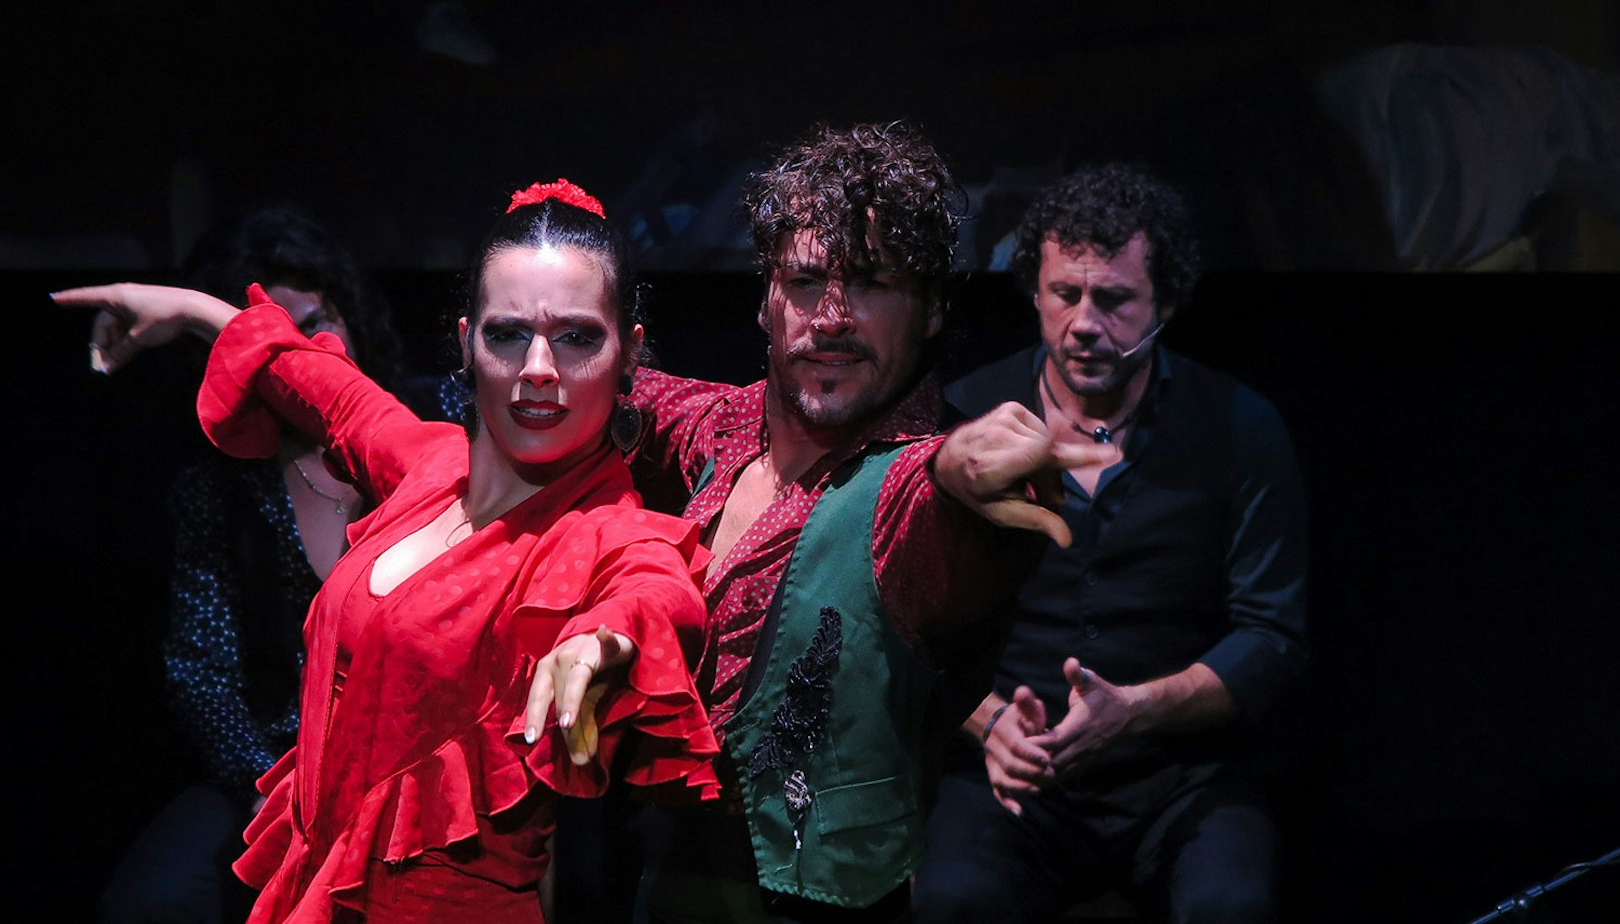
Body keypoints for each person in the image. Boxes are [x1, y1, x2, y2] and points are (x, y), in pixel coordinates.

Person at [55, 179, 721, 923]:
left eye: (575, 336)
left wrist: (605, 640)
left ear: (628, 351)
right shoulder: (426, 462)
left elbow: (658, 592)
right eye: (507, 333)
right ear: (467, 342)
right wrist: (189, 311)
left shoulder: (607, 530)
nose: (538, 366)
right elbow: (313, 380)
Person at [608, 120, 1082, 922]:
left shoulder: (911, 484)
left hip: (821, 899)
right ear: (765, 302)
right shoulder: (723, 426)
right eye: (804, 282)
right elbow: (602, 395)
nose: (829, 316)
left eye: (867, 283)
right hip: (662, 884)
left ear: (931, 307)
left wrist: (961, 476)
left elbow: (936, 525)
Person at [910, 163, 1309, 924]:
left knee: (1231, 904)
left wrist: (1136, 709)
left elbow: (1273, 637)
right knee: (955, 901)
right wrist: (988, 721)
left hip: (1182, 778)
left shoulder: (1239, 427)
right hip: (1009, 777)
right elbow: (898, 619)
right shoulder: (964, 420)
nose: (1085, 323)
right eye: (1066, 295)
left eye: (1115, 300)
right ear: (1034, 291)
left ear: (1164, 302)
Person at [97, 206, 446, 924]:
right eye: (271, 334)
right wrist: (263, 789)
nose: (300, 350)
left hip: (424, 749)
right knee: (155, 900)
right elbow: (201, 670)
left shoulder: (428, 427)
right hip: (281, 758)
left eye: (317, 321)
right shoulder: (217, 488)